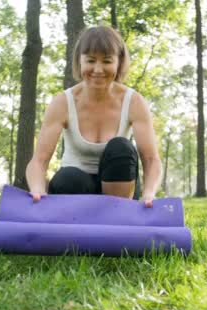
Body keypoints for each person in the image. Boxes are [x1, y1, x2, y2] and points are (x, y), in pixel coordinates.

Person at [25, 26, 162, 208]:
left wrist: (149, 193)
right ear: (79, 62)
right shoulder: (63, 102)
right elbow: (39, 160)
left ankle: (116, 217)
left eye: (107, 61)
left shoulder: (134, 102)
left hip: (120, 189)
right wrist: (37, 189)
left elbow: (151, 159)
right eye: (90, 61)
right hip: (76, 186)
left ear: (119, 63)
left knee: (121, 147)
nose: (98, 69)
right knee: (68, 178)